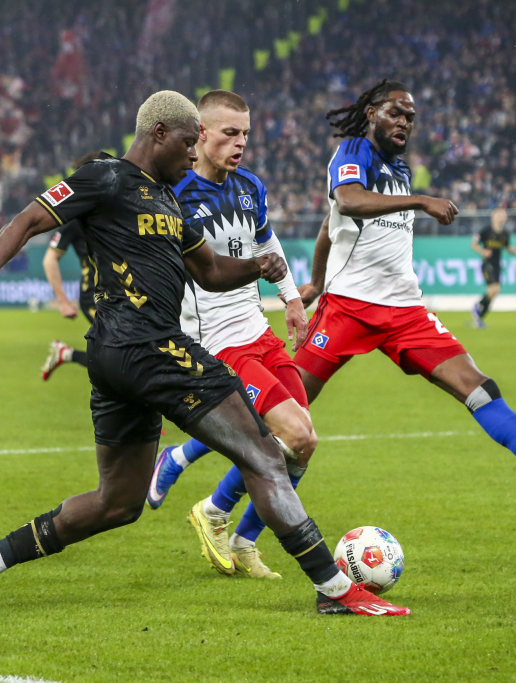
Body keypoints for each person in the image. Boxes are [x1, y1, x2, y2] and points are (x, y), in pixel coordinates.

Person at [0, 90, 409, 617]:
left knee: (117, 503)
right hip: (151, 347)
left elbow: (211, 271)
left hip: (117, 359)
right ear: (159, 133)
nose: (192, 152)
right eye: (187, 141)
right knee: (264, 456)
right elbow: (28, 219)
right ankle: (334, 589)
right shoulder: (105, 177)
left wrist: (258, 268)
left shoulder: (168, 200)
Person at [294, 79, 516, 508]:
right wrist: (420, 201)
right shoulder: (354, 151)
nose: (404, 123)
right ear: (371, 114)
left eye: (410, 117)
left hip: (405, 311)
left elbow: (328, 225)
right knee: (287, 411)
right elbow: (347, 202)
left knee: (480, 388)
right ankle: (216, 502)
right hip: (349, 308)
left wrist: (315, 280)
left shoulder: (400, 170)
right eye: (395, 113)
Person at [144, 90, 313, 580]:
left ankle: (242, 538)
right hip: (216, 341)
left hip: (257, 329)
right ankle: (212, 508)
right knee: (290, 433)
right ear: (200, 134)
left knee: (302, 444)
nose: (241, 143)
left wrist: (292, 298)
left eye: (246, 134)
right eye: (230, 133)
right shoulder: (173, 194)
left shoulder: (249, 186)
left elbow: (266, 241)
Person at [40, 151, 100, 381]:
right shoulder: (75, 217)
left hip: (122, 293)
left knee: (124, 355)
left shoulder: (115, 208)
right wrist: (63, 302)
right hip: (95, 296)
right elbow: (49, 259)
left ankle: (65, 354)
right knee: (125, 354)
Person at [471, 207, 516, 328]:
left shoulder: (505, 234)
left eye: (503, 215)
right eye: (499, 215)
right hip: (487, 263)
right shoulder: (486, 231)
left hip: (497, 264)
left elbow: (507, 246)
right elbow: (474, 244)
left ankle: (479, 315)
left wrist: (512, 250)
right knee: (494, 289)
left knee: (494, 292)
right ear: (493, 217)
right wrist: (483, 251)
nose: (501, 218)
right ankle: (478, 307)